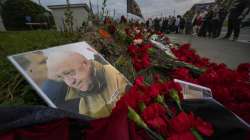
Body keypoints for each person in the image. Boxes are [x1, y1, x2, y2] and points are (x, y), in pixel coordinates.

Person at [42, 51, 129, 118]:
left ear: (86, 64)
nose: (69, 83)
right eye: (62, 78)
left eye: (69, 72)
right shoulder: (83, 106)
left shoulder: (115, 74)